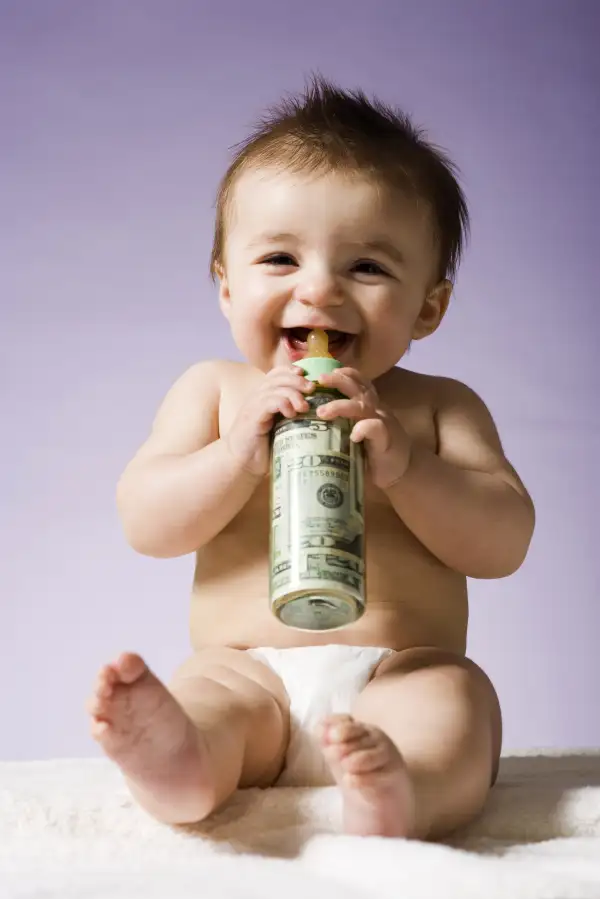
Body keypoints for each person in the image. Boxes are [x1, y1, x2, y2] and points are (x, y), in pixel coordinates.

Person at [87, 76, 535, 840]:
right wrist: (234, 457)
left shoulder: (436, 406)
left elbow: (504, 541)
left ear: (428, 305)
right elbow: (147, 521)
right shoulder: (216, 392)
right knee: (210, 698)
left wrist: (406, 466)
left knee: (458, 702)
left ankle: (407, 788)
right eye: (281, 259)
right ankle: (180, 761)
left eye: (367, 267)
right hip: (248, 671)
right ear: (226, 288)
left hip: (400, 670)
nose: (320, 289)